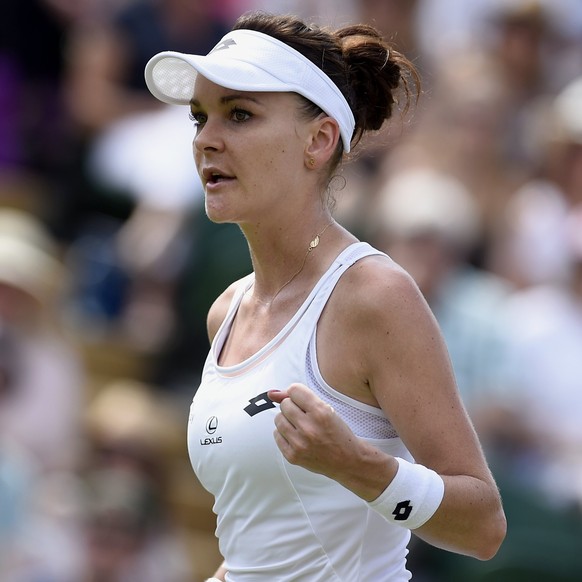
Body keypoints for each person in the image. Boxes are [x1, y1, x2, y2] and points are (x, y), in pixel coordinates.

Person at [143, 11, 506, 581]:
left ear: (317, 140)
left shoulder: (373, 295)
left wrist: (356, 465)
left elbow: (483, 527)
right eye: (199, 117)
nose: (207, 139)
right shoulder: (228, 311)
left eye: (239, 114)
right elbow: (263, 546)